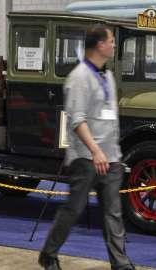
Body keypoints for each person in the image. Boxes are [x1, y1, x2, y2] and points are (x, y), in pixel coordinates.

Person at [38, 26, 134, 270]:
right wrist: (95, 151)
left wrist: (114, 154)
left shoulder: (108, 76)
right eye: (111, 41)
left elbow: (110, 118)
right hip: (86, 157)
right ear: (99, 45)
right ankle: (48, 254)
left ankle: (121, 264)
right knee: (74, 209)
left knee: (113, 214)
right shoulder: (79, 78)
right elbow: (77, 120)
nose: (114, 45)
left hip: (111, 157)